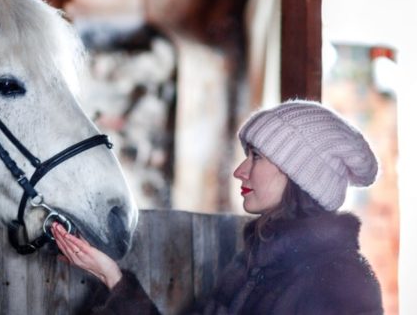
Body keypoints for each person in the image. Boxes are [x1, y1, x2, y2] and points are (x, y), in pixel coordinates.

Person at [51, 100, 383, 314]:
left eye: (257, 156)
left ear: (298, 174)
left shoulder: (342, 282)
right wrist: (111, 276)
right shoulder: (256, 264)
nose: (240, 170)